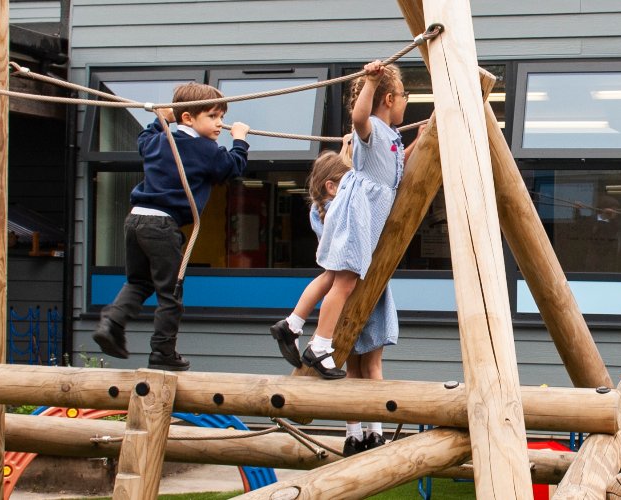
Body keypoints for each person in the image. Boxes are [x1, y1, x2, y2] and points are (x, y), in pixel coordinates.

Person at [93, 82, 249, 371]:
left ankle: (111, 323)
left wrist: (160, 120)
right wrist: (239, 140)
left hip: (136, 220)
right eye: (213, 117)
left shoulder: (160, 141)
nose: (220, 125)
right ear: (188, 118)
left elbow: (143, 140)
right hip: (162, 226)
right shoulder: (206, 149)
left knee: (138, 282)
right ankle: (162, 352)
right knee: (170, 294)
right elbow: (232, 168)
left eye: (222, 118)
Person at [269, 146, 399, 455]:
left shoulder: (319, 211)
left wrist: (345, 152)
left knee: (350, 369)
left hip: (340, 305)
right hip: (368, 292)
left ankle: (353, 435)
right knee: (373, 366)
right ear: (333, 185)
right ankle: (376, 432)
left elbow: (342, 179)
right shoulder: (349, 209)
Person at [294, 59, 409, 381]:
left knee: (342, 285)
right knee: (340, 283)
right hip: (359, 222)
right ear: (389, 99)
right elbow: (359, 118)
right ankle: (318, 342)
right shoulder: (371, 130)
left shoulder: (391, 136)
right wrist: (371, 82)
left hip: (368, 228)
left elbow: (396, 167)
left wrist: (420, 141)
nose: (405, 101)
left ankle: (306, 332)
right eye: (404, 95)